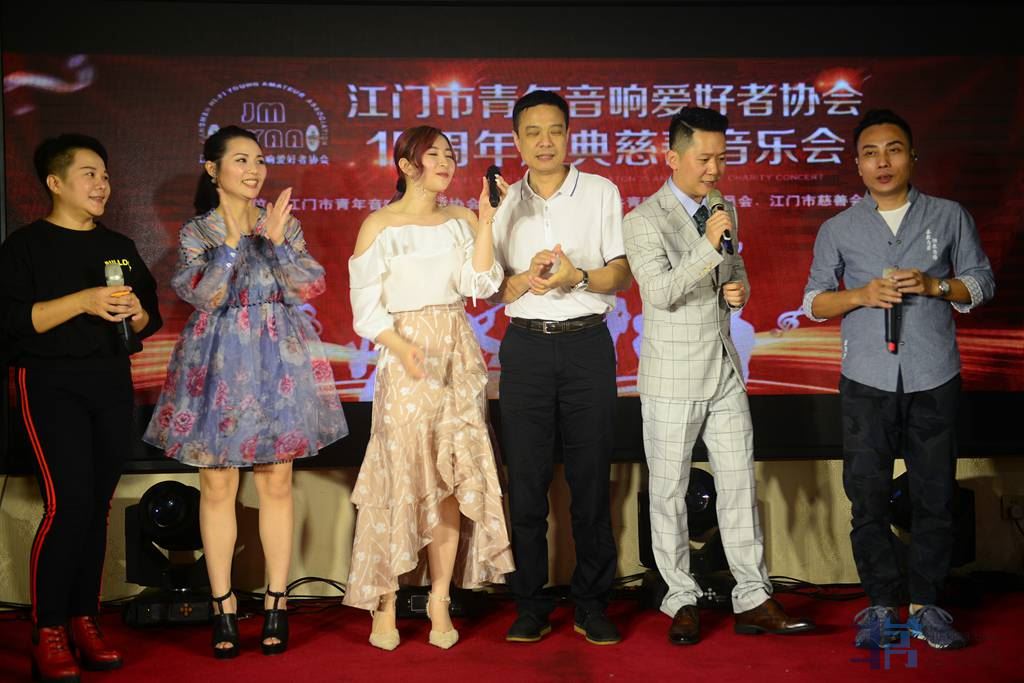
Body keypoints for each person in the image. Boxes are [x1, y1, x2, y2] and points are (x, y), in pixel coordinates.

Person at [143, 125, 348, 658]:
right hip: (218, 363)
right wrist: (234, 246)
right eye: (241, 160)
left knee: (276, 483)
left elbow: (311, 285)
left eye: (259, 160)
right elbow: (203, 294)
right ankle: (224, 606)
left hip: (277, 361)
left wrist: (276, 242)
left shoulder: (281, 224)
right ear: (213, 170)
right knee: (217, 486)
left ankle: (277, 601)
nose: (254, 170)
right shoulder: (199, 231)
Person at [802, 109, 995, 650]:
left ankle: (927, 605)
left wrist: (936, 287)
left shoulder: (949, 215)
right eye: (870, 153)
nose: (882, 162)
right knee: (866, 497)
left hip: (933, 374)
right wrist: (861, 295)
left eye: (892, 150)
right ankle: (881, 604)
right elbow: (814, 302)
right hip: (866, 378)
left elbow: (982, 282)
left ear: (912, 156)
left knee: (935, 494)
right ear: (857, 165)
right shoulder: (838, 227)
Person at [623, 106, 814, 646]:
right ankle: (680, 598)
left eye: (721, 158)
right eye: (704, 159)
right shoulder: (643, 220)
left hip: (725, 369)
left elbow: (735, 273)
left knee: (738, 486)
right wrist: (707, 247)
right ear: (672, 157)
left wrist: (739, 291)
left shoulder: (721, 209)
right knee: (669, 492)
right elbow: (660, 292)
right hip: (672, 376)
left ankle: (753, 596)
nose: (714, 169)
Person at [0, 134, 162, 681]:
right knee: (66, 505)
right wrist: (84, 301)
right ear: (55, 182)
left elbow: (148, 319)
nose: (102, 185)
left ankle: (84, 619)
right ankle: (48, 628)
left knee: (97, 507)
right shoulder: (25, 247)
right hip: (50, 384)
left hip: (110, 382)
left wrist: (135, 312)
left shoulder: (119, 245)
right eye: (89, 174)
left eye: (105, 175)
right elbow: (14, 323)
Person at [345, 125, 514, 651]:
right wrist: (402, 347)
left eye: (449, 154)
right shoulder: (379, 225)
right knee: (400, 475)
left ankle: (440, 597)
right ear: (405, 164)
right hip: (406, 357)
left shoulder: (461, 219)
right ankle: (384, 600)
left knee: (450, 479)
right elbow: (365, 311)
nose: (444, 162)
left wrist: (486, 221)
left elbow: (480, 285)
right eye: (432, 154)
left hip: (456, 354)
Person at [490, 90, 633, 646]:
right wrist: (523, 279)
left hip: (586, 347)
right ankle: (529, 604)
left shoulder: (600, 191)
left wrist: (578, 277)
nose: (544, 142)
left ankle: (592, 603)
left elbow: (621, 273)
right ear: (517, 140)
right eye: (532, 132)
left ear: (569, 135)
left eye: (554, 130)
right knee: (525, 484)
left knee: (590, 481)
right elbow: (492, 289)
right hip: (525, 349)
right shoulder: (503, 202)